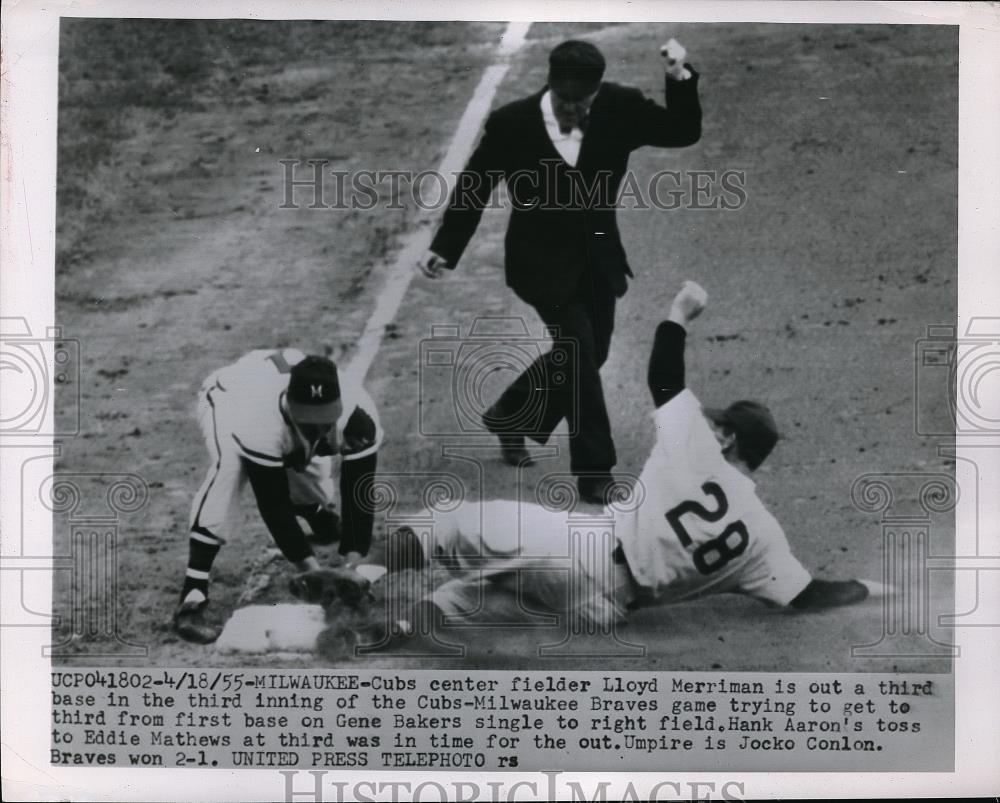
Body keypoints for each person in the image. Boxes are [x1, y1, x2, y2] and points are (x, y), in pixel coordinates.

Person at [292, 282, 874, 643]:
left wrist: (679, 312)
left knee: (452, 523)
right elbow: (810, 596)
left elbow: (664, 378)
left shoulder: (700, 450)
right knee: (491, 597)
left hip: (581, 546)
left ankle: (360, 577)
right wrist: (877, 588)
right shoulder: (764, 538)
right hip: (603, 609)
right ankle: (388, 632)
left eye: (719, 424)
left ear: (725, 437)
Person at [417, 39, 702, 505]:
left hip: (597, 257)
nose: (572, 110)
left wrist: (678, 75)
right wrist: (445, 249)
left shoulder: (620, 107)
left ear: (595, 93)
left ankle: (510, 413)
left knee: (593, 353)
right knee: (579, 353)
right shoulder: (511, 123)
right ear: (549, 85)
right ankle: (595, 472)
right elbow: (474, 187)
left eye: (581, 102)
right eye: (564, 101)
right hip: (539, 265)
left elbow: (682, 130)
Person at [173, 348, 381, 644]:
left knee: (316, 486)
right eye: (308, 419)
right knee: (229, 469)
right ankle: (192, 596)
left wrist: (352, 570)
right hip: (230, 396)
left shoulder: (360, 415)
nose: (318, 426)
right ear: (289, 403)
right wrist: (315, 575)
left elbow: (360, 495)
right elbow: (274, 506)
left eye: (325, 419)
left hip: (270, 394)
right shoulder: (257, 419)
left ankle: (314, 512)